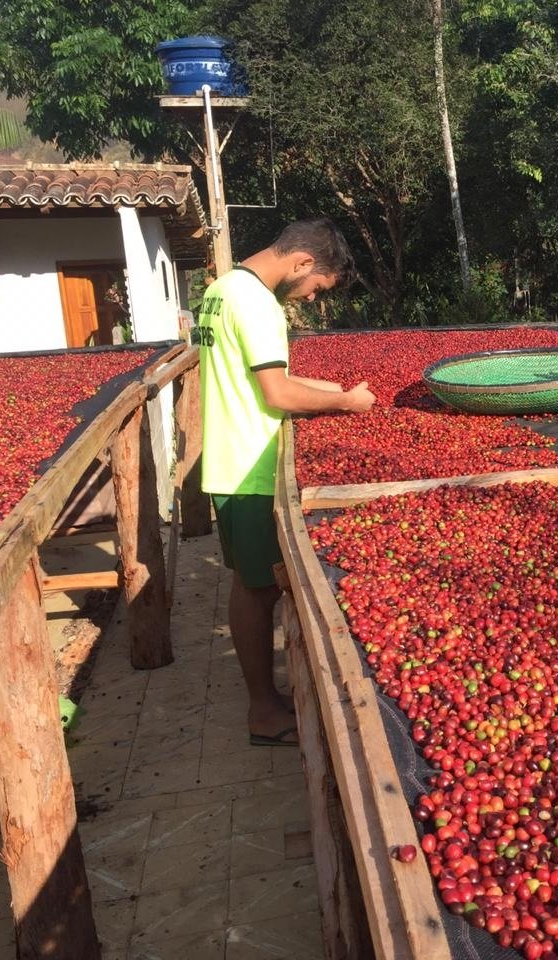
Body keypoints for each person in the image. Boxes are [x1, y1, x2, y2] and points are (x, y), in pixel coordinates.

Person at [198, 218, 376, 746]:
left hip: (230, 457)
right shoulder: (258, 304)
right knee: (258, 590)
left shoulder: (223, 289)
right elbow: (275, 393)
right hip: (250, 466)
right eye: (316, 285)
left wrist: (327, 387)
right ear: (301, 263)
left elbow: (250, 377)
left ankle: (264, 701)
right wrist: (344, 402)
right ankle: (264, 710)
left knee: (248, 584)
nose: (311, 296)